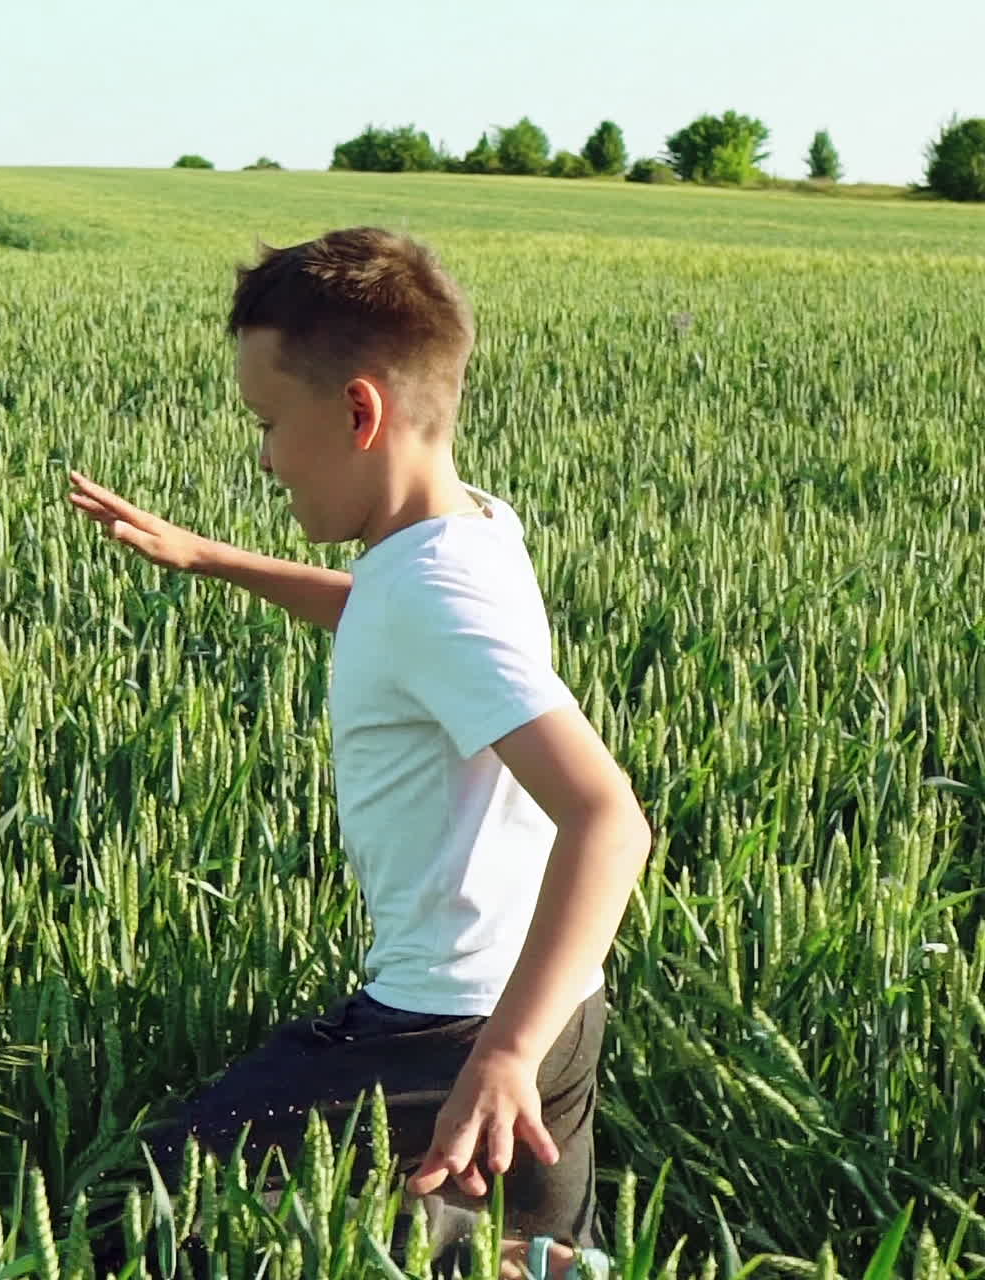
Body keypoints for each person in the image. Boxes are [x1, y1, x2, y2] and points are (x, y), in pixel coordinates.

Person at [68, 226, 651, 1279]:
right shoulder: (467, 533)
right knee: (525, 1243)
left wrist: (500, 1053)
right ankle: (526, 1254)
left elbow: (608, 817)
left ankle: (502, 1259)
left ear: (357, 410)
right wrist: (208, 556)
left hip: (454, 1025)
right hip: (555, 995)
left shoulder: (431, 588)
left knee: (138, 1202)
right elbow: (382, 613)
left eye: (267, 422)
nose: (260, 455)